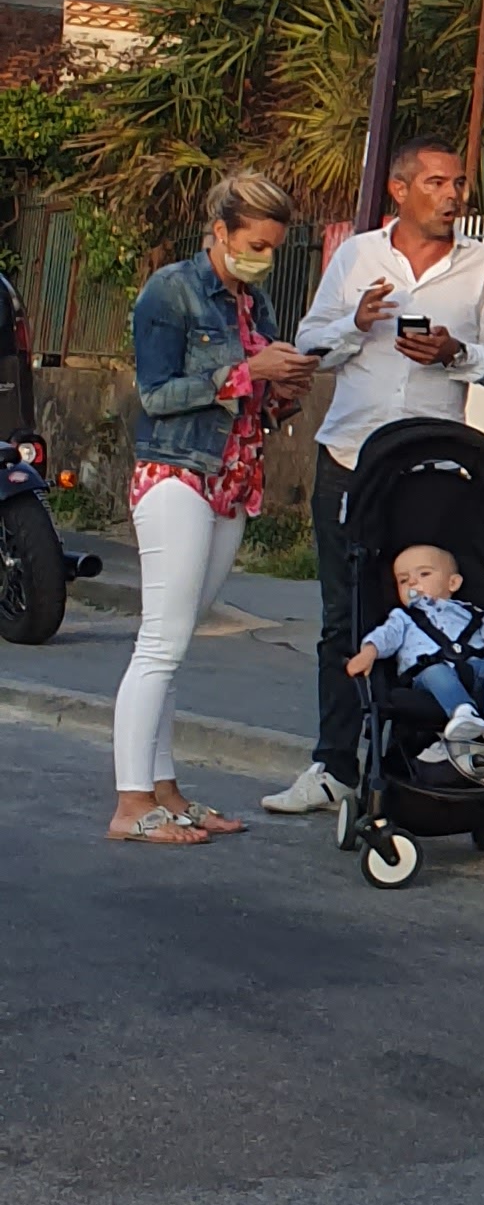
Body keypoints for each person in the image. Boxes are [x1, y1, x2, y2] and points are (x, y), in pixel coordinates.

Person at [265, 137, 484, 818]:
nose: (453, 195)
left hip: (433, 473)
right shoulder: (358, 255)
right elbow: (309, 346)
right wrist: (354, 325)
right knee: (343, 617)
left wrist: (456, 353)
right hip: (352, 459)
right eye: (437, 182)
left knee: (429, 614)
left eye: (459, 183)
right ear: (400, 191)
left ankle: (419, 761)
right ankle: (333, 765)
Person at [111, 170, 317, 846]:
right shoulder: (171, 289)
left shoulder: (254, 303)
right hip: (177, 472)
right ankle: (131, 803)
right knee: (160, 644)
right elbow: (156, 393)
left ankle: (164, 790)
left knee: (175, 643)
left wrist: (284, 389)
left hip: (233, 480)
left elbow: (257, 402)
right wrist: (247, 373)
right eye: (255, 245)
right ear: (220, 231)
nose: (264, 258)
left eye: (273, 248)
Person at [346, 540, 484, 782]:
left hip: (475, 670)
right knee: (436, 672)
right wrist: (369, 652)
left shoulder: (472, 613)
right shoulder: (402, 617)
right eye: (403, 580)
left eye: (424, 574)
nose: (412, 582)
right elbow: (385, 636)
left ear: (453, 583)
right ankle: (462, 712)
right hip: (429, 679)